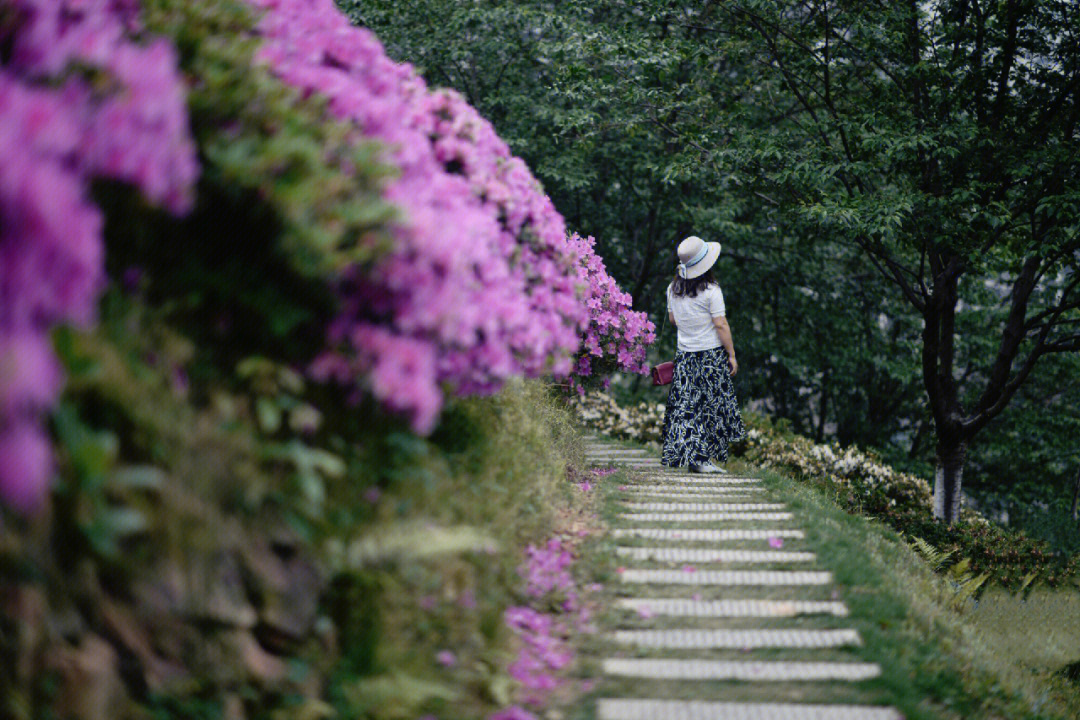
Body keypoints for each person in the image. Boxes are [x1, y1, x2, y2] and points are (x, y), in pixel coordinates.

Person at [661, 235, 746, 472]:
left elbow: (672, 319)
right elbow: (721, 324)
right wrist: (731, 354)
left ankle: (696, 460)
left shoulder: (672, 288)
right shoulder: (711, 291)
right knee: (710, 405)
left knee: (688, 406)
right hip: (710, 356)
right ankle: (701, 460)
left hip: (685, 356)